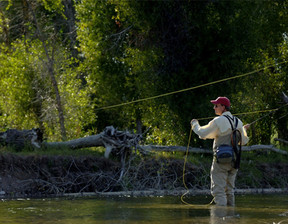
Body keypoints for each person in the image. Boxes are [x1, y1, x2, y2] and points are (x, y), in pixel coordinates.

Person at [190, 96, 250, 206]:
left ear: (223, 107)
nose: (214, 108)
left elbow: (203, 134)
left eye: (216, 105)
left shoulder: (218, 121)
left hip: (221, 161)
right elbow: (244, 141)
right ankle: (231, 218)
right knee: (229, 191)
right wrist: (243, 130)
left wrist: (195, 125)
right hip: (234, 161)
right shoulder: (239, 122)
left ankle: (220, 219)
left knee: (219, 192)